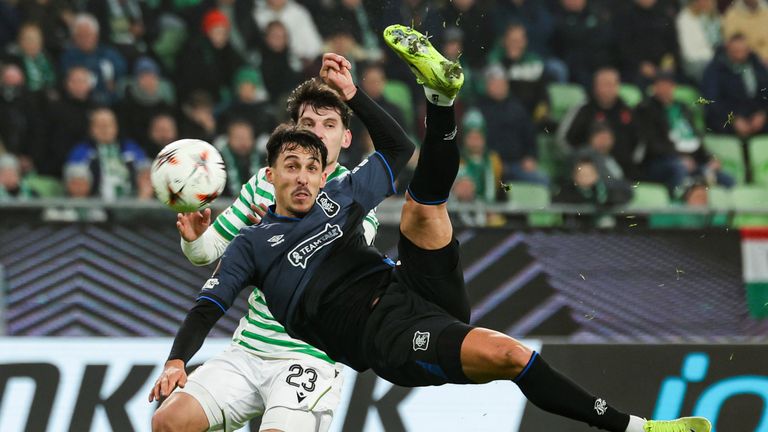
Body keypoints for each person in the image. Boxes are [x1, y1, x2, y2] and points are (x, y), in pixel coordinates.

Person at [151, 26, 712, 432]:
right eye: (296, 150)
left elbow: (397, 149)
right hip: (363, 335)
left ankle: (441, 98)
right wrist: (196, 248)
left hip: (387, 304)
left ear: (337, 149)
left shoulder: (343, 197)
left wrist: (354, 94)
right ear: (272, 168)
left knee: (424, 207)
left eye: (322, 139)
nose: (307, 160)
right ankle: (638, 430)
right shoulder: (257, 220)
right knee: (510, 354)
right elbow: (209, 280)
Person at [150, 77, 379, 431]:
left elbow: (342, 267)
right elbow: (211, 256)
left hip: (310, 355)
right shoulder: (264, 184)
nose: (318, 133)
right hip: (250, 349)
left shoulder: (357, 195)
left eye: (329, 125)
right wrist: (195, 239)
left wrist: (283, 228)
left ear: (345, 138)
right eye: (308, 125)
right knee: (168, 422)